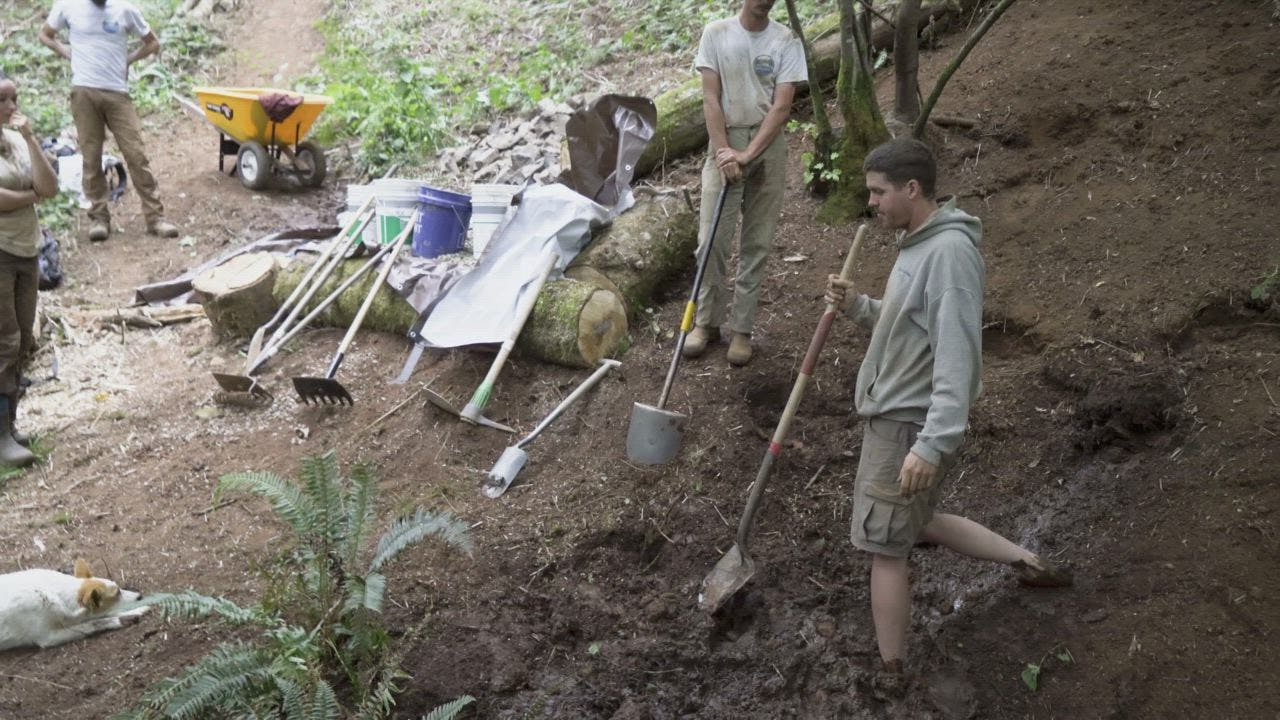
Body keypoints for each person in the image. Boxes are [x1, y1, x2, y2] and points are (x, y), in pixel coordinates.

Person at [824, 138, 1071, 696]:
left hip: (908, 426)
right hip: (904, 422)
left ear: (912, 189)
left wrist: (932, 444)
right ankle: (1028, 561)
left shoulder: (950, 254)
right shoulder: (917, 243)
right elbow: (908, 324)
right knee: (919, 520)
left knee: (885, 549)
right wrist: (858, 306)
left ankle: (890, 672)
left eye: (878, 192)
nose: (872, 204)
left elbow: (958, 357)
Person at [684, 0, 807, 366]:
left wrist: (748, 154)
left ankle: (742, 329)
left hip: (766, 147)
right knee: (711, 240)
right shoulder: (717, 34)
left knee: (757, 241)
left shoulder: (786, 40)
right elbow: (710, 96)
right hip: (724, 138)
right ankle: (705, 322)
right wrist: (724, 152)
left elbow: (782, 106)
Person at [38, 0, 179, 243]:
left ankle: (155, 217)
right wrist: (68, 53)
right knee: (91, 156)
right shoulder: (68, 6)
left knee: (136, 154)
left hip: (117, 92)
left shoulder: (125, 9)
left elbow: (152, 43)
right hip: (83, 91)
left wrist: (128, 60)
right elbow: (45, 35)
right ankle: (99, 218)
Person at [0, 70, 58, 467]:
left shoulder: (17, 140)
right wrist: (31, 195)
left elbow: (50, 186)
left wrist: (32, 138)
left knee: (22, 340)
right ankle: (1, 437)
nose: (11, 106)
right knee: (4, 341)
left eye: (14, 98)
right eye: (3, 101)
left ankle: (12, 423)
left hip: (26, 250)